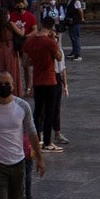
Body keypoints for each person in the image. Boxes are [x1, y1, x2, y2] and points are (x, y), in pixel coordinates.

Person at [21, 15, 65, 152]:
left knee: (38, 111)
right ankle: (48, 142)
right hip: (50, 79)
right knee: (50, 112)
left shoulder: (30, 41)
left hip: (37, 80)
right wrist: (54, 40)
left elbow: (26, 62)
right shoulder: (49, 42)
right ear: (51, 28)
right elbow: (59, 57)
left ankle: (37, 139)